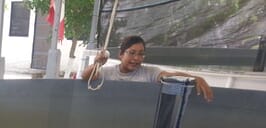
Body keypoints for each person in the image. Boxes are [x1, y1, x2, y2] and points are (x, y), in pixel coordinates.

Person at [82, 35, 214, 102]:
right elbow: (85, 76)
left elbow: (169, 75)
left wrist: (196, 78)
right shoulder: (107, 72)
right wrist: (97, 64)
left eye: (141, 54)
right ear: (121, 54)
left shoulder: (150, 73)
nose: (136, 58)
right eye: (132, 53)